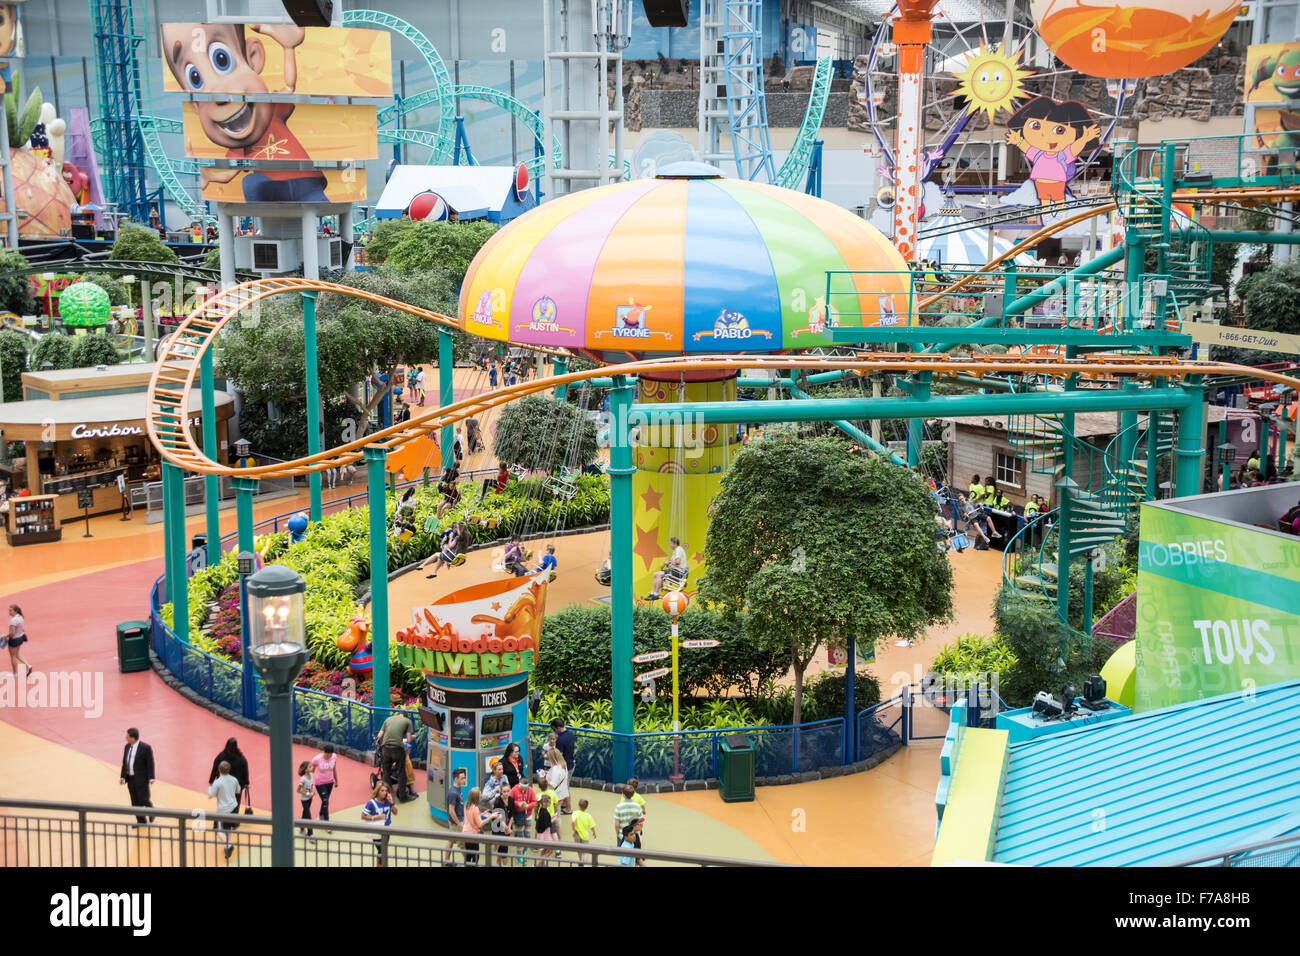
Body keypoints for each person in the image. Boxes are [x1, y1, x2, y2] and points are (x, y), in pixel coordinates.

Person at [208, 759, 242, 860]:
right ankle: (226, 846)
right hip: (233, 807)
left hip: (222, 810)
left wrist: (210, 788)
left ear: (219, 770)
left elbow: (210, 795)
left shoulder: (217, 782)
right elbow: (238, 791)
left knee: (217, 829)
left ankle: (228, 845)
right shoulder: (234, 779)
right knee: (228, 827)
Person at [120, 728, 155, 826]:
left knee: (143, 799)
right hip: (130, 778)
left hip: (141, 778)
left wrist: (151, 777)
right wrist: (123, 776)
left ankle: (151, 811)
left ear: (133, 738)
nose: (126, 738)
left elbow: (150, 763)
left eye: (127, 736)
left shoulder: (145, 748)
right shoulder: (127, 747)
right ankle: (141, 821)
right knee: (134, 801)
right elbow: (124, 763)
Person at [378, 710, 415, 802]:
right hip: (397, 749)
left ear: (398, 714)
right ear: (405, 716)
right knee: (401, 772)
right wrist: (414, 737)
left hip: (385, 748)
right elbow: (409, 739)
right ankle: (403, 797)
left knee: (386, 772)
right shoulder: (407, 721)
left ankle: (387, 795)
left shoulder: (388, 719)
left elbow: (379, 735)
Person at [208, 737, 251, 809]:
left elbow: (214, 768)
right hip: (236, 786)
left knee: (222, 805)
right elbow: (245, 771)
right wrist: (246, 783)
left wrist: (211, 781)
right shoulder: (241, 759)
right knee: (235, 807)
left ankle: (220, 819)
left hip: (223, 787)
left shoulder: (221, 756)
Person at [362, 780, 395, 867]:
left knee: (381, 852)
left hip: (387, 830)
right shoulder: (371, 803)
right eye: (382, 790)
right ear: (377, 791)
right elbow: (363, 816)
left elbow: (396, 812)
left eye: (386, 791)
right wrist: (376, 818)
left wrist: (392, 803)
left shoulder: (388, 801)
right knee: (383, 851)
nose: (384, 793)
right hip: (377, 830)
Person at [645, 536, 688, 600]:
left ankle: (656, 594)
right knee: (655, 574)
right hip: (674, 570)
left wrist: (669, 562)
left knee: (659, 575)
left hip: (677, 572)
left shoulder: (678, 549)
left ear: (674, 544)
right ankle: (653, 593)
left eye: (670, 543)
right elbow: (675, 563)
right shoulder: (676, 550)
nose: (670, 545)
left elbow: (677, 562)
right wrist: (669, 563)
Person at [508, 772, 537, 861]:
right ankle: (518, 855)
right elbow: (510, 801)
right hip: (518, 816)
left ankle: (525, 851)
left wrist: (528, 806)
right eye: (522, 788)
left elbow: (534, 802)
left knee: (527, 835)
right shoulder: (514, 790)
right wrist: (518, 804)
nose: (524, 789)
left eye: (526, 788)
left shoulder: (530, 790)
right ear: (519, 784)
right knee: (519, 835)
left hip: (528, 815)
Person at [551, 718, 576, 811]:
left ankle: (568, 809)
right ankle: (565, 805)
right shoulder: (571, 734)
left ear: (557, 728)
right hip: (571, 763)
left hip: (565, 766)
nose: (555, 731)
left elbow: (559, 755)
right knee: (566, 785)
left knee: (565, 788)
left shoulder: (560, 740)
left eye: (554, 729)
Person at [310, 744, 338, 825]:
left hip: (330, 782)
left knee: (325, 801)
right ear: (325, 752)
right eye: (328, 755)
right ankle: (326, 822)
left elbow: (334, 768)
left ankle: (321, 813)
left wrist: (336, 781)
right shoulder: (317, 759)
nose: (329, 756)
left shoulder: (334, 756)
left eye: (331, 755)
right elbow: (312, 771)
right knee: (325, 801)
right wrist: (310, 784)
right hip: (320, 783)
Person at [533, 774, 558, 865]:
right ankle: (536, 864)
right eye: (549, 802)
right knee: (550, 850)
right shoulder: (545, 812)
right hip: (546, 833)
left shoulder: (538, 798)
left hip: (542, 831)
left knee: (543, 850)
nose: (551, 803)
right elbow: (547, 824)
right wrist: (554, 819)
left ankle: (541, 864)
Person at [6, 603, 31, 677]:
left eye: (10, 611)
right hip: (20, 638)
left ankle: (14, 674)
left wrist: (4, 636)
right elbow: (21, 629)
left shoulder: (13, 621)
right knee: (17, 654)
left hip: (14, 640)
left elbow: (12, 633)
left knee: (13, 656)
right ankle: (28, 666)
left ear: (15, 611)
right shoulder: (20, 617)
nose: (9, 612)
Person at [546, 749, 569, 824]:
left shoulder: (555, 769)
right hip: (561, 794)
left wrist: (545, 781)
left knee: (554, 816)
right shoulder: (564, 765)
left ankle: (555, 832)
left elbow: (553, 784)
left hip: (555, 795)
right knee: (557, 814)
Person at [461, 787, 484, 866]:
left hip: (466, 833)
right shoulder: (476, 808)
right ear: (476, 797)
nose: (481, 797)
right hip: (473, 834)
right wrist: (491, 817)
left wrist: (481, 815)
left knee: (468, 854)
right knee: (476, 856)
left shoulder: (467, 804)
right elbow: (480, 824)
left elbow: (470, 817)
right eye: (480, 796)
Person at [571, 797, 596, 865]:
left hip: (577, 834)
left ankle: (580, 861)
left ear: (578, 805)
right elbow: (592, 826)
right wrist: (594, 833)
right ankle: (585, 864)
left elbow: (573, 821)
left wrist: (573, 828)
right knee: (586, 851)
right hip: (585, 835)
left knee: (579, 849)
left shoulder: (575, 813)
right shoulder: (588, 816)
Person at [297, 760, 315, 837]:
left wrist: (313, 791)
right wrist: (308, 794)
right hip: (304, 799)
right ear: (305, 769)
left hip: (310, 798)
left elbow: (312, 785)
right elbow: (298, 790)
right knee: (308, 815)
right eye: (310, 767)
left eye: (311, 766)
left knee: (305, 813)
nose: (312, 768)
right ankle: (310, 833)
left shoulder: (311, 774)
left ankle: (301, 827)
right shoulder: (303, 779)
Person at [447, 767, 467, 833]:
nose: (464, 780)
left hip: (459, 819)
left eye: (464, 778)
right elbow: (451, 811)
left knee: (451, 842)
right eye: (462, 778)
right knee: (461, 843)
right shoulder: (453, 793)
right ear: (456, 779)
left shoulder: (458, 788)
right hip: (456, 823)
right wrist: (459, 824)